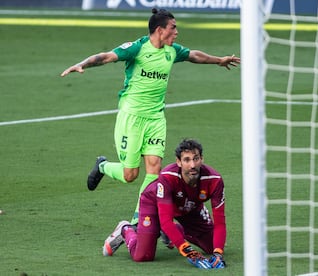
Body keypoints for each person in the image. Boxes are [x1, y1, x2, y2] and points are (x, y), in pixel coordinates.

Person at [60, 8, 240, 226]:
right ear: (159, 29)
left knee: (154, 167)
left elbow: (194, 55)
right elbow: (106, 56)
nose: (176, 32)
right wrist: (83, 64)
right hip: (132, 117)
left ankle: (140, 217)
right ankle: (103, 166)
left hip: (156, 118)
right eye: (173, 28)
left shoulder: (171, 51)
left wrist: (218, 60)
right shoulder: (137, 48)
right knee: (130, 175)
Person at [103, 139, 227, 269]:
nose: (192, 165)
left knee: (212, 246)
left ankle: (172, 232)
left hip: (190, 207)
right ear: (178, 162)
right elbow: (166, 220)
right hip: (154, 203)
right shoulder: (167, 177)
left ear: (202, 159)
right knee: (142, 256)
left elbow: (220, 222)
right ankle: (126, 229)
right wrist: (187, 250)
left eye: (196, 159)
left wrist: (218, 254)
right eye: (187, 160)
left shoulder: (215, 180)